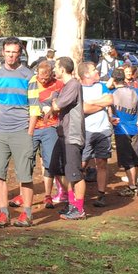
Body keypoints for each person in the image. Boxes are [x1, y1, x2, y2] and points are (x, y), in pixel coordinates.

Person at [0, 38, 35, 227]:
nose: (11, 55)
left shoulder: (29, 75)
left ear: (20, 53)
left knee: (25, 175)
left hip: (21, 130)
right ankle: (3, 212)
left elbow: (34, 107)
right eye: (8, 52)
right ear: (2, 52)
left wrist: (29, 132)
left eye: (15, 52)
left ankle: (27, 213)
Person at [49, 57, 86, 219]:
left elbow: (57, 106)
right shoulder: (67, 86)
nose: (54, 70)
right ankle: (72, 204)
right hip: (64, 134)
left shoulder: (73, 85)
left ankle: (79, 209)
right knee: (61, 169)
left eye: (56, 67)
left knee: (75, 174)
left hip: (72, 135)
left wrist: (54, 99)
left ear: (62, 69)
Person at [28, 57, 63, 208]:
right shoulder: (30, 83)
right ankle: (24, 194)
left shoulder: (59, 85)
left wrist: (54, 108)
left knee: (50, 162)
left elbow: (64, 103)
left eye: (46, 77)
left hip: (51, 126)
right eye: (40, 77)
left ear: (51, 74)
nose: (43, 80)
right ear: (36, 73)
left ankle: (48, 195)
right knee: (27, 161)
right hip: (32, 127)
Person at [78, 62, 114, 207]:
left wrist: (92, 103)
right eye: (94, 70)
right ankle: (77, 196)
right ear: (86, 74)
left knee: (102, 163)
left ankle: (101, 195)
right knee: (82, 164)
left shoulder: (101, 85)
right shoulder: (78, 88)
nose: (97, 71)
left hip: (103, 130)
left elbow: (110, 100)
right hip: (86, 131)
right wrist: (101, 104)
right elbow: (83, 108)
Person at [110, 67, 138, 194]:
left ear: (114, 80)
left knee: (128, 161)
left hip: (121, 130)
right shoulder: (135, 91)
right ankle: (133, 184)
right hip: (134, 128)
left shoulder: (110, 92)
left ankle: (132, 186)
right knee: (134, 159)